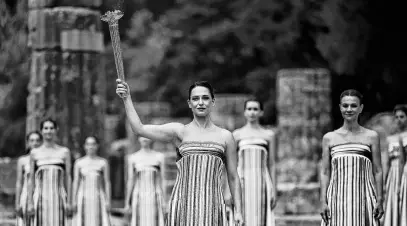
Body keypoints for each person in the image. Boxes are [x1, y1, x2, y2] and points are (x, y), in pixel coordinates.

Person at [116, 79, 243, 225]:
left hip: (213, 206)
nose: (200, 102)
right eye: (195, 99)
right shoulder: (179, 131)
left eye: (205, 98)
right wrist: (127, 98)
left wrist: (238, 210)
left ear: (213, 102)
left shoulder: (225, 136)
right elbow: (139, 129)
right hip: (182, 205)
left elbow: (233, 177)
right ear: (189, 103)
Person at [320, 89, 384, 226]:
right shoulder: (329, 138)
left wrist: (380, 199)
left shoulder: (372, 136)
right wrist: (322, 201)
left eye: (354, 105)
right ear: (340, 107)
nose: (349, 109)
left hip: (364, 198)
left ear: (361, 108)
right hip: (336, 199)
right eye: (345, 105)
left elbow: (378, 170)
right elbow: (325, 172)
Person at [232, 99, 277, 226]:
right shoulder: (237, 135)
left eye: (255, 109)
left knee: (261, 218)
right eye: (249, 109)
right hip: (241, 183)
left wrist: (274, 189)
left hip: (262, 182)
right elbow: (232, 165)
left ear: (261, 112)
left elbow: (272, 163)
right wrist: (228, 190)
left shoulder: (269, 135)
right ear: (245, 112)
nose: (252, 112)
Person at [27, 119, 73, 226]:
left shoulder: (64, 152)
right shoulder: (34, 153)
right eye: (46, 128)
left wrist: (70, 201)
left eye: (51, 128)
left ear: (56, 130)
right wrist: (30, 202)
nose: (49, 131)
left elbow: (68, 177)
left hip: (59, 197)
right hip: (40, 198)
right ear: (41, 131)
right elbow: (31, 179)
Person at [71, 136, 112, 226]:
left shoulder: (103, 162)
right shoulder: (79, 163)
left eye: (93, 144)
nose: (91, 146)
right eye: (88, 144)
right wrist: (73, 200)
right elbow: (76, 182)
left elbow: (107, 182)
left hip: (99, 197)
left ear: (97, 146)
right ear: (84, 146)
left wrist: (108, 200)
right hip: (82, 198)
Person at [125, 136, 165, 226]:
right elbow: (130, 180)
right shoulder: (133, 158)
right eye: (142, 135)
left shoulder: (159, 157)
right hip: (138, 196)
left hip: (155, 196)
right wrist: (128, 202)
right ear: (139, 138)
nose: (144, 138)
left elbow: (162, 180)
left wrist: (164, 201)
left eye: (147, 135)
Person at [383, 105, 407, 226]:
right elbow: (386, 162)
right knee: (393, 203)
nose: (399, 119)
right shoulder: (390, 138)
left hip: (404, 172)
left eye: (402, 116)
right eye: (396, 117)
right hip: (394, 172)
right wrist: (384, 181)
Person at [15, 131, 43, 226]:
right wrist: (17, 203)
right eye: (32, 140)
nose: (35, 143)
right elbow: (19, 182)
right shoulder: (22, 160)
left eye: (37, 140)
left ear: (41, 142)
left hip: (43, 195)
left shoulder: (45, 160)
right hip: (26, 195)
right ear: (28, 142)